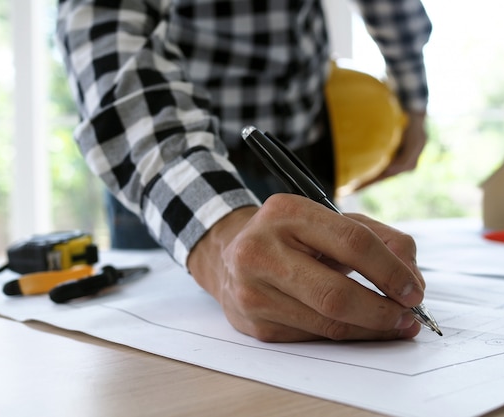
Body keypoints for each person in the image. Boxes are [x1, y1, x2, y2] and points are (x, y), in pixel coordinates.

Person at [56, 1, 433, 342]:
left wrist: (412, 96)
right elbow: (103, 23)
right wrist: (218, 233)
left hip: (304, 151)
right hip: (175, 170)